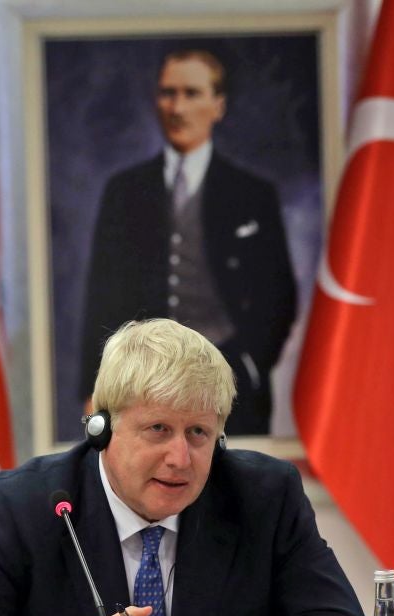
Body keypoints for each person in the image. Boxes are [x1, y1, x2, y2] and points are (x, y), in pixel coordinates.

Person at [0, 319, 367, 616]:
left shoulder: (263, 495)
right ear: (101, 429)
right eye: (158, 429)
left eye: (198, 433)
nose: (180, 458)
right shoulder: (26, 504)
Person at [79, 49, 297, 435]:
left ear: (218, 105)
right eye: (168, 93)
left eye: (192, 93)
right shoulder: (125, 191)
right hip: (139, 385)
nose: (177, 107)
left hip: (231, 384)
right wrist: (95, 386)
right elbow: (102, 293)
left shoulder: (252, 193)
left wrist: (249, 360)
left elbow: (279, 294)